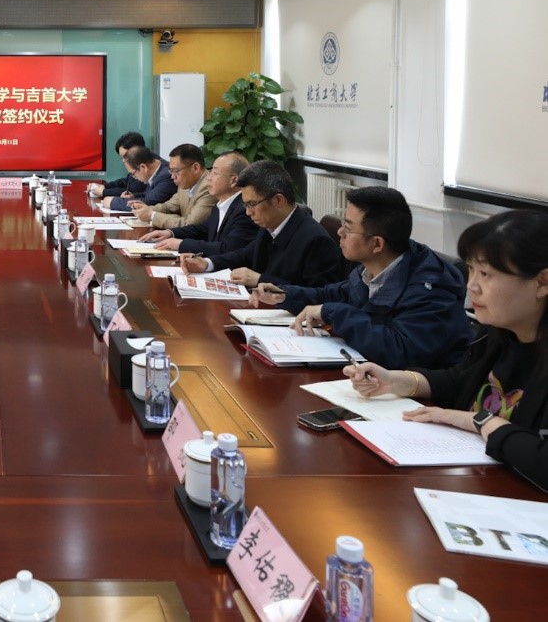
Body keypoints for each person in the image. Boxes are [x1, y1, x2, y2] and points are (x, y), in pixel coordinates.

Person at [346, 209, 548, 490]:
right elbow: (461, 380)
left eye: (486, 274)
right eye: (471, 270)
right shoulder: (499, 332)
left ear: (542, 282)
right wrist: (396, 381)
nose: (472, 286)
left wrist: (481, 421)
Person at [250, 186, 470, 368]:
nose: (340, 232)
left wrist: (333, 312)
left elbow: (400, 350)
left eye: (348, 227)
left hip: (417, 395)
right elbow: (336, 294)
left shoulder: (430, 288)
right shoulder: (374, 266)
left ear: (377, 244)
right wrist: (285, 295)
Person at [183, 160, 343, 288]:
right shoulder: (270, 225)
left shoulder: (316, 241)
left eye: (252, 204)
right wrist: (207, 263)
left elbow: (319, 295)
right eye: (245, 205)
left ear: (278, 200)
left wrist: (261, 280)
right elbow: (246, 254)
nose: (248, 212)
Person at [140, 152, 258, 255]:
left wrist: (182, 244)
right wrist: (170, 233)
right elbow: (202, 229)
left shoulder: (245, 209)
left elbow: (227, 248)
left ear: (234, 181)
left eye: (215, 173)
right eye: (210, 172)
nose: (209, 178)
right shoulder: (220, 205)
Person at [128, 144, 216, 228]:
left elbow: (190, 224)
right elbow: (168, 207)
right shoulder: (185, 185)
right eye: (171, 171)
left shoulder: (209, 187)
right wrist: (146, 209)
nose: (172, 176)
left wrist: (152, 215)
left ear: (195, 168)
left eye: (176, 171)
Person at [101, 145, 175, 212]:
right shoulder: (157, 170)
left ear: (143, 167)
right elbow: (149, 195)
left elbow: (149, 203)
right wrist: (133, 196)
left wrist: (113, 202)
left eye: (133, 174)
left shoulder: (167, 176)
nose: (134, 178)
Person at [87, 131, 147, 199]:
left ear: (136, 150)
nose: (124, 161)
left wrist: (103, 192)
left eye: (125, 156)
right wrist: (104, 186)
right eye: (122, 158)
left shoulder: (145, 167)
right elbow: (125, 182)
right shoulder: (136, 166)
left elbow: (132, 191)